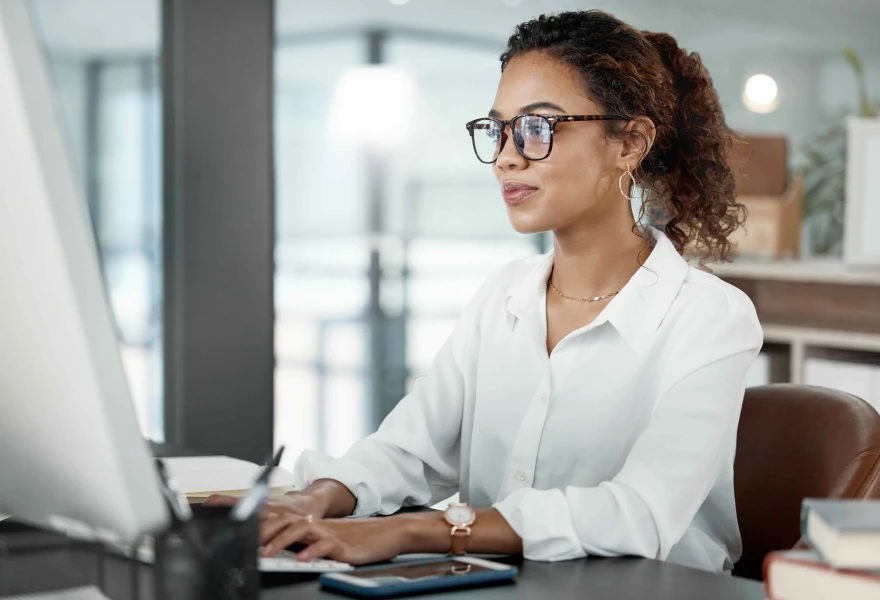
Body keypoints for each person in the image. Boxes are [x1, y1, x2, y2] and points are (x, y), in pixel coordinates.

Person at [207, 9, 762, 573]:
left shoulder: (710, 316)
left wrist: (413, 531)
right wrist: (310, 500)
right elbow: (410, 448)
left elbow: (640, 512)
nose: (505, 158)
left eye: (537, 128)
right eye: (498, 129)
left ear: (630, 143)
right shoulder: (505, 294)